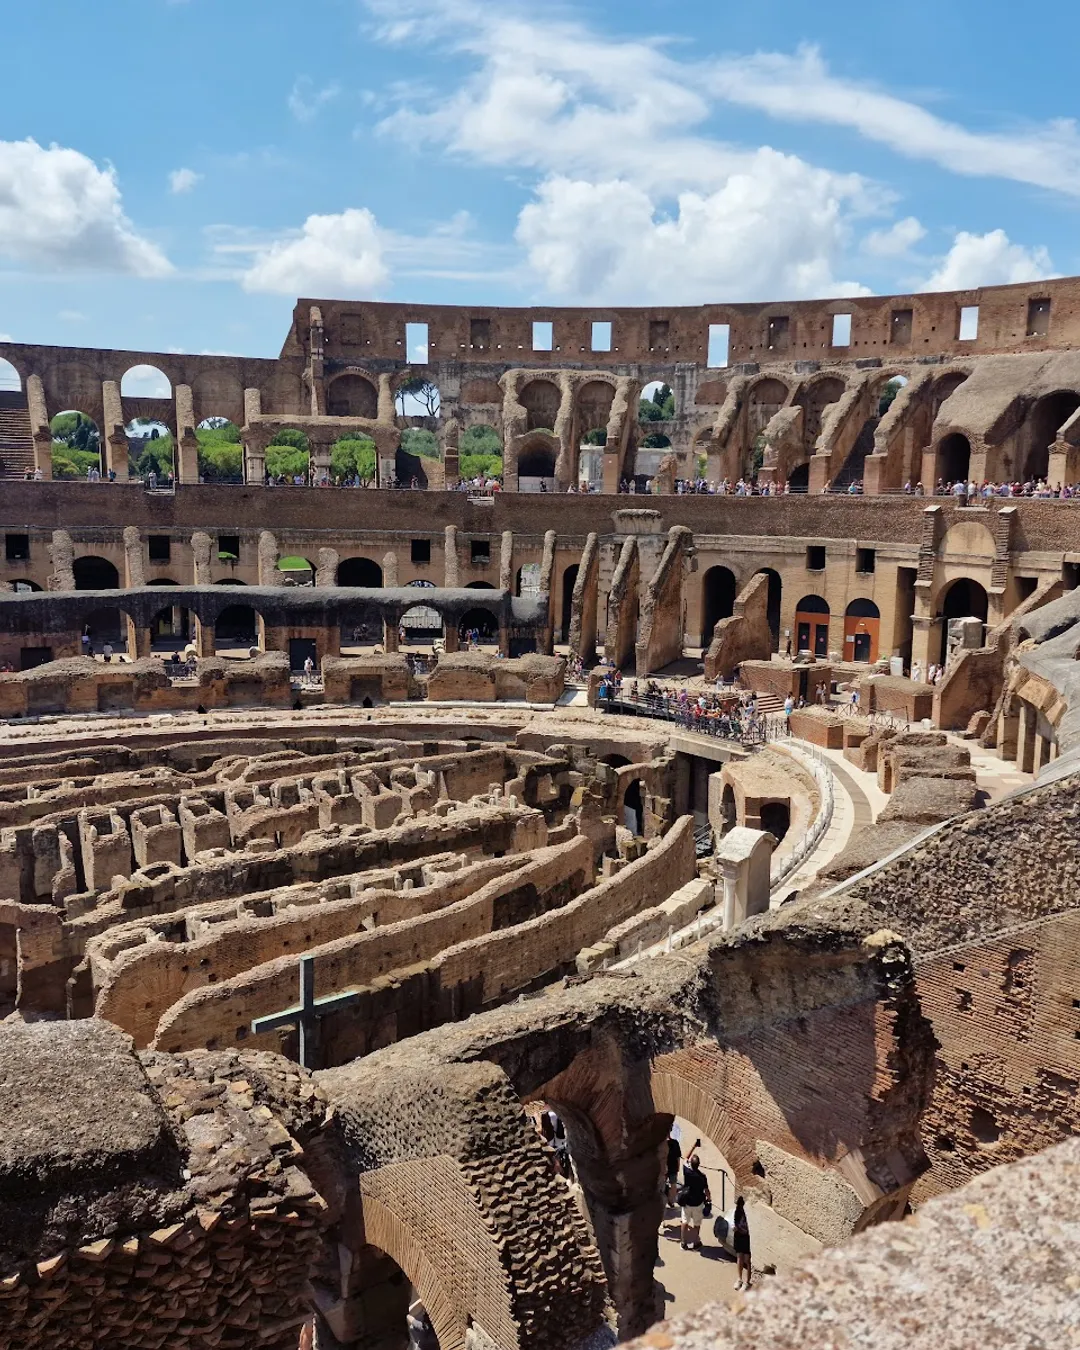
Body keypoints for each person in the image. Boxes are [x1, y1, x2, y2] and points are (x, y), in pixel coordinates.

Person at [677, 1141, 710, 1251]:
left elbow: (685, 1158)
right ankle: (696, 1242)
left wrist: (693, 1146)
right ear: (698, 1165)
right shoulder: (702, 1177)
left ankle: (683, 1242)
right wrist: (709, 1200)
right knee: (697, 1224)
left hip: (687, 1202)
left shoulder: (687, 1171)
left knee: (684, 1222)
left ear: (691, 1164)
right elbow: (706, 1191)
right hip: (698, 1203)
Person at [732, 1196, 752, 1290]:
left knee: (747, 1260)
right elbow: (735, 1221)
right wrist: (735, 1227)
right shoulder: (738, 1211)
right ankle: (739, 1279)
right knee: (739, 1258)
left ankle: (747, 1282)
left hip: (747, 1237)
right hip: (739, 1236)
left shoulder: (750, 1213)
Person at [665, 1129, 682, 1205]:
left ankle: (662, 1201)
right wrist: (678, 1167)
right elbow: (678, 1157)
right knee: (673, 1185)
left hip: (664, 1169)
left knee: (661, 1184)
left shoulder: (662, 1144)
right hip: (673, 1168)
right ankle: (671, 1201)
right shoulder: (675, 1143)